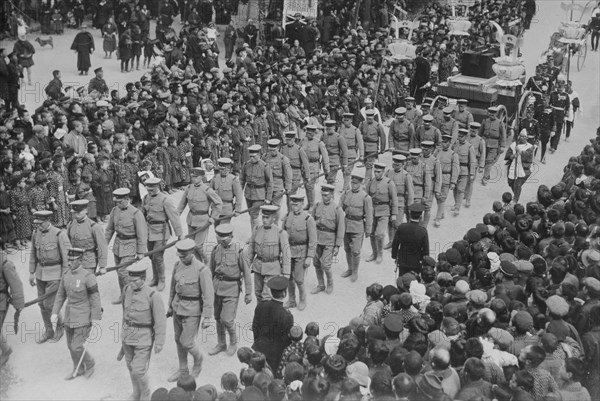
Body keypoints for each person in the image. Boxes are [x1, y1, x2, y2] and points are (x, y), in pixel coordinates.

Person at [166, 238, 214, 381]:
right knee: (177, 339)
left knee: (187, 342)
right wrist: (169, 306)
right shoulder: (177, 265)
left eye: (184, 256)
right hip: (177, 307)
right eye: (179, 255)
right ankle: (183, 369)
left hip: (192, 310)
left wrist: (207, 317)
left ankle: (198, 361)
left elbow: (208, 294)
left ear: (192, 252)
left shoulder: (202, 270)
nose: (181, 258)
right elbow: (172, 288)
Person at [51, 248, 101, 380]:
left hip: (84, 317)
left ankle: (90, 364)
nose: (69, 262)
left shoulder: (88, 277)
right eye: (68, 259)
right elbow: (60, 295)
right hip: (69, 316)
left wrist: (95, 317)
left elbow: (95, 298)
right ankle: (78, 368)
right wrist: (55, 313)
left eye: (72, 260)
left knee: (76, 346)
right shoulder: (66, 275)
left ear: (79, 260)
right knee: (70, 346)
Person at [120, 263, 166, 401]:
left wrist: (159, 342)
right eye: (130, 280)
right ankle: (136, 392)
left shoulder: (153, 295)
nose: (131, 284)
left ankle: (146, 393)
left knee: (138, 369)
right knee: (130, 366)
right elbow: (125, 313)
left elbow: (160, 321)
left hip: (143, 337)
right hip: (128, 335)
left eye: (135, 281)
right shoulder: (126, 289)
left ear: (143, 278)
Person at [208, 224, 252, 355]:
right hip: (216, 288)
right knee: (217, 317)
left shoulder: (239, 252)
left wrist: (249, 293)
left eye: (224, 238)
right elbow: (210, 270)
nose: (221, 241)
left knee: (227, 319)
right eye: (219, 238)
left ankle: (233, 341)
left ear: (231, 236)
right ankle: (221, 343)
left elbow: (247, 273)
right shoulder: (216, 250)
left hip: (231, 289)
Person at [29, 210, 70, 343]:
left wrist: (65, 276)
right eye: (37, 224)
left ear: (48, 221)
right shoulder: (35, 234)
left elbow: (67, 258)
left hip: (55, 274)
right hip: (40, 273)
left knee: (51, 304)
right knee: (41, 304)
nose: (38, 226)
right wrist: (31, 272)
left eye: (40, 223)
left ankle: (59, 328)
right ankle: (49, 330)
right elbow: (33, 254)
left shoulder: (59, 234)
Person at [104, 188, 148, 304]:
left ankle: (131, 297)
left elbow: (142, 234)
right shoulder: (115, 210)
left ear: (127, 199)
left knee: (124, 273)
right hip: (118, 245)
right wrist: (104, 244)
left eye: (120, 202)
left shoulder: (136, 213)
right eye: (116, 202)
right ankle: (123, 295)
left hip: (130, 245)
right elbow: (109, 230)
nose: (118, 204)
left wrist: (141, 251)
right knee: (119, 272)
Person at [142, 177, 183, 291]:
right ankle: (155, 278)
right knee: (151, 256)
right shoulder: (145, 198)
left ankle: (162, 280)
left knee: (158, 257)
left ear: (157, 187)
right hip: (149, 231)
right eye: (148, 189)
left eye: (152, 189)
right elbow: (142, 215)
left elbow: (174, 218)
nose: (149, 191)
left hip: (161, 231)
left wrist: (180, 234)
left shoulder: (165, 200)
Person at [245, 205, 291, 302]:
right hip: (258, 267)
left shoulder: (280, 233)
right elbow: (251, 249)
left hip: (272, 268)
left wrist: (286, 273)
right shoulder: (257, 229)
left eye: (267, 217)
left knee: (267, 296)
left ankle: (266, 316)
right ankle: (259, 315)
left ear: (273, 218)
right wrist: (246, 266)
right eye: (263, 217)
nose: (264, 220)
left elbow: (286, 254)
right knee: (258, 293)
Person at [177, 167, 223, 262]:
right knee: (191, 245)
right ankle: (198, 263)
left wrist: (213, 217)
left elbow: (218, 203)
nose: (193, 179)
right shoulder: (189, 188)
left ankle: (207, 261)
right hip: (191, 219)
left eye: (196, 177)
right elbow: (182, 204)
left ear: (202, 177)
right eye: (192, 177)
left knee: (198, 245)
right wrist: (176, 215)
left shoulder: (207, 190)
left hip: (203, 221)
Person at [251, 276, 294, 371]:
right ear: (285, 293)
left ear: (271, 292)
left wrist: (258, 342)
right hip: (275, 355)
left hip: (259, 347)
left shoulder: (261, 305)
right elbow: (286, 340)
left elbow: (255, 327)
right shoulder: (287, 316)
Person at [282, 194, 317, 310]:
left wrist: (309, 256)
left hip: (301, 252)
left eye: (296, 205)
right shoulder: (288, 216)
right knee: (288, 277)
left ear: (302, 204)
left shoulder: (308, 219)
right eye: (292, 204)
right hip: (288, 252)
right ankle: (291, 300)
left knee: (299, 279)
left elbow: (313, 239)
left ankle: (302, 299)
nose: (294, 207)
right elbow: (282, 234)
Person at [312, 184, 345, 295]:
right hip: (317, 239)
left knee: (326, 264)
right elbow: (311, 223)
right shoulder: (317, 206)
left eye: (326, 195)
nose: (324, 197)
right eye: (322, 195)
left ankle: (330, 283)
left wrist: (337, 246)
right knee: (316, 263)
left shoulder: (337, 209)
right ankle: (321, 285)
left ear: (331, 195)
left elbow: (341, 228)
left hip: (329, 241)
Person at [340, 170, 373, 282]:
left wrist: (368, 230)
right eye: (352, 183)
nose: (353, 185)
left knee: (356, 251)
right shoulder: (346, 194)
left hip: (358, 227)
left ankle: (355, 272)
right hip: (346, 224)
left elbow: (369, 215)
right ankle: (349, 269)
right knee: (347, 249)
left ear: (360, 183)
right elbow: (340, 210)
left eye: (355, 183)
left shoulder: (365, 197)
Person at [366, 162, 398, 263]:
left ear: (383, 172)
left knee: (379, 234)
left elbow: (394, 199)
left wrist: (393, 214)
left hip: (384, 211)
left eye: (379, 172)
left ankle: (380, 254)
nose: (376, 174)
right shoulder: (371, 181)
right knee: (371, 233)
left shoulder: (389, 183)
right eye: (375, 171)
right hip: (372, 211)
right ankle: (374, 253)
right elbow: (366, 197)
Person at [66, 199, 107, 275]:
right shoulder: (71, 225)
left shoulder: (94, 227)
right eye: (74, 213)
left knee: (88, 284)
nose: (75, 215)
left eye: (78, 212)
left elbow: (102, 247)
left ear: (85, 211)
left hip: (88, 261)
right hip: (74, 261)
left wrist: (102, 266)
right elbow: (66, 243)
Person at [240, 145, 274, 231]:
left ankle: (258, 235)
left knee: (254, 215)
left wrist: (268, 198)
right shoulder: (246, 165)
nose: (252, 158)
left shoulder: (265, 166)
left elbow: (270, 182)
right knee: (251, 215)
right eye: (250, 156)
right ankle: (254, 235)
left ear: (259, 155)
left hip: (259, 195)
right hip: (248, 194)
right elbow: (241, 180)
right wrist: (238, 193)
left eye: (254, 156)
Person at [0, 250, 24, 367]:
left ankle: (5, 350)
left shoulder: (5, 264)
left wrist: (19, 304)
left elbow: (16, 285)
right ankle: (6, 349)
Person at [391, 203, 429, 277]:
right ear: (421, 215)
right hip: (416, 263)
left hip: (402, 261)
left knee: (401, 281)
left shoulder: (402, 227)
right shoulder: (423, 231)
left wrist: (394, 256)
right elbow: (426, 251)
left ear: (410, 214)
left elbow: (395, 244)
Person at [385, 154, 414, 246]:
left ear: (402, 164)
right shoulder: (389, 172)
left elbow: (410, 192)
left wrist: (410, 206)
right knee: (390, 223)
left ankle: (398, 243)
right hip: (388, 201)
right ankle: (391, 241)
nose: (395, 164)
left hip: (399, 202)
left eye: (398, 162)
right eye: (394, 161)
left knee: (397, 224)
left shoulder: (406, 176)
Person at [301, 125, 329, 209]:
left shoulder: (319, 143)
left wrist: (327, 168)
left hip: (314, 166)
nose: (310, 135)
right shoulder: (303, 141)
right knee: (306, 186)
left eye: (312, 133)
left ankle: (312, 205)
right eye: (308, 133)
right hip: (304, 167)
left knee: (310, 186)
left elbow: (325, 156)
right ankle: (309, 203)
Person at [434, 134, 459, 227]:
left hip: (446, 178)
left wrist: (453, 182)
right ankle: (441, 212)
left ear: (449, 143)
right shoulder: (437, 152)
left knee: (442, 198)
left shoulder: (453, 155)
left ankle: (438, 218)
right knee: (437, 196)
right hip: (437, 178)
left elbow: (456, 169)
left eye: (446, 142)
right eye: (443, 142)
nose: (444, 144)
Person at [210, 158, 243, 226]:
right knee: (216, 229)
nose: (225, 171)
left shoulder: (233, 179)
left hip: (227, 209)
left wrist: (237, 210)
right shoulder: (215, 178)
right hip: (216, 209)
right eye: (223, 169)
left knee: (223, 229)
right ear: (219, 168)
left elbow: (239, 195)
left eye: (227, 169)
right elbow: (209, 193)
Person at [506, 130, 534, 204]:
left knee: (518, 184)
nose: (521, 138)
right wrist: (512, 156)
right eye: (520, 136)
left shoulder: (530, 147)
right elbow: (507, 154)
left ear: (527, 137)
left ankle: (515, 200)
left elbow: (528, 156)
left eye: (523, 136)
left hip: (524, 168)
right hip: (513, 166)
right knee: (510, 182)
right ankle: (516, 194)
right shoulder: (514, 145)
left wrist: (520, 151)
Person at [479, 106, 506, 185]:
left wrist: (502, 146)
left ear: (496, 114)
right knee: (483, 160)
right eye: (490, 113)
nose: (492, 114)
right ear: (488, 113)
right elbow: (480, 133)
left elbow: (503, 135)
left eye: (494, 113)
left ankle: (484, 177)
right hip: (484, 144)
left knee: (489, 161)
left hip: (494, 145)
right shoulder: (485, 121)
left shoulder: (500, 123)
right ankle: (487, 174)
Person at [262, 139, 292, 206]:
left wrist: (288, 187)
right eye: (270, 150)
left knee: (276, 206)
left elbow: (288, 175)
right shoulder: (265, 157)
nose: (272, 152)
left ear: (278, 148)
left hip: (277, 186)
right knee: (266, 208)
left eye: (274, 150)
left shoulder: (283, 159)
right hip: (267, 186)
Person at [357, 109, 386, 179]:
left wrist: (382, 149)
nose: (369, 120)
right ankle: (370, 179)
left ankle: (367, 180)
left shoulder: (378, 126)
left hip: (373, 148)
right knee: (365, 163)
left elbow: (383, 137)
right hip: (364, 147)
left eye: (370, 118)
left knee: (369, 165)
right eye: (367, 118)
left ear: (373, 117)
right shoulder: (362, 124)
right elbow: (357, 134)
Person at [465, 122, 485, 207]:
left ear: (477, 131)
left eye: (474, 131)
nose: (472, 132)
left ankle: (468, 199)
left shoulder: (480, 140)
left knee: (470, 181)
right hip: (464, 162)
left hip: (474, 163)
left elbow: (483, 153)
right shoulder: (465, 137)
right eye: (471, 130)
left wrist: (481, 166)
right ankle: (463, 195)